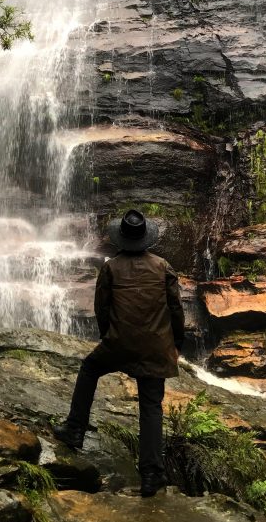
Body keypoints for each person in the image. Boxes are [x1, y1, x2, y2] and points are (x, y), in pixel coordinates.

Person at [53, 208, 185, 497]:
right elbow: (176, 308)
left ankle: (75, 429)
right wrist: (177, 342)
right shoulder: (163, 266)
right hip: (155, 346)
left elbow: (102, 307)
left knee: (90, 368)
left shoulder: (111, 267)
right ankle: (152, 476)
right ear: (145, 238)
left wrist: (108, 338)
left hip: (119, 343)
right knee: (151, 406)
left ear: (121, 238)